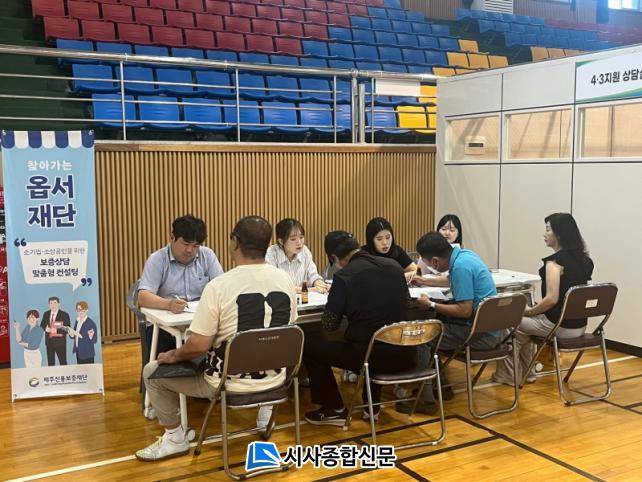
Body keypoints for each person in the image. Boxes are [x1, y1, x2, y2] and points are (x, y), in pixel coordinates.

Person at [135, 216, 297, 462]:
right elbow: (288, 331)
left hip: (226, 383)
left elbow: (199, 345)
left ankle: (175, 438)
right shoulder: (286, 281)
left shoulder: (219, 286)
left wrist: (174, 355)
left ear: (234, 242)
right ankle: (266, 413)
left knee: (151, 372)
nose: (191, 250)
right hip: (276, 380)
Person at [303, 230, 417, 426]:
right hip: (407, 353)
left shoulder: (344, 276)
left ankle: (333, 409)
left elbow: (329, 325)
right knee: (376, 333)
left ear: (335, 258)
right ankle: (371, 408)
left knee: (310, 346)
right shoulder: (394, 266)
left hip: (372, 358)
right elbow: (406, 304)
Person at [397, 232, 498, 414]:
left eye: (428, 264)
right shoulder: (465, 256)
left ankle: (426, 400)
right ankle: (441, 388)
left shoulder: (460, 267)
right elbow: (452, 280)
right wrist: (424, 280)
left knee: (423, 336)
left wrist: (431, 304)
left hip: (479, 335)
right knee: (437, 323)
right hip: (490, 329)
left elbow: (464, 310)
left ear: (435, 262)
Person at [492, 213, 594, 385]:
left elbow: (552, 299)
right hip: (579, 326)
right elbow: (568, 293)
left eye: (548, 230)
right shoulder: (586, 261)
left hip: (559, 326)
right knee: (523, 331)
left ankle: (509, 375)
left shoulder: (554, 263)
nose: (544, 234)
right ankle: (527, 373)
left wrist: (530, 311)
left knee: (509, 322)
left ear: (559, 234)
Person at [138, 214, 224, 357]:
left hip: (200, 324)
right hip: (164, 326)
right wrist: (168, 304)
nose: (190, 250)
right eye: (185, 244)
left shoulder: (207, 256)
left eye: (195, 246)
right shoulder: (157, 259)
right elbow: (143, 297)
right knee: (163, 351)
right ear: (172, 237)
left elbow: (222, 289)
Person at [265, 218, 329, 293]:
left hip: (305, 299)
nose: (299, 242)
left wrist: (319, 283)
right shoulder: (271, 254)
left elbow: (313, 275)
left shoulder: (304, 251)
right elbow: (275, 286)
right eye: (293, 239)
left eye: (301, 237)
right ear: (281, 241)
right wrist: (309, 290)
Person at [361, 217, 418, 284]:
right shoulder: (363, 254)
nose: (385, 243)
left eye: (388, 237)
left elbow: (416, 271)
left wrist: (401, 277)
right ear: (371, 240)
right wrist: (399, 278)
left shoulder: (396, 251)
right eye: (379, 239)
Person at [415, 214, 463, 288]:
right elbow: (420, 276)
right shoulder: (428, 251)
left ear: (458, 234)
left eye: (452, 230)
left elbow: (456, 280)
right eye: (444, 229)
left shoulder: (461, 254)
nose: (447, 233)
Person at [40, 296, 71, 366]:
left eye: (55, 303)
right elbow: (42, 326)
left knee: (63, 362)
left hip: (60, 343)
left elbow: (67, 329)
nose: (53, 305)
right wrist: (45, 329)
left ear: (59, 304)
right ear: (49, 304)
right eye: (51, 303)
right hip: (49, 343)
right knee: (50, 363)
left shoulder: (64, 314)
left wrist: (54, 330)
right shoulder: (46, 314)